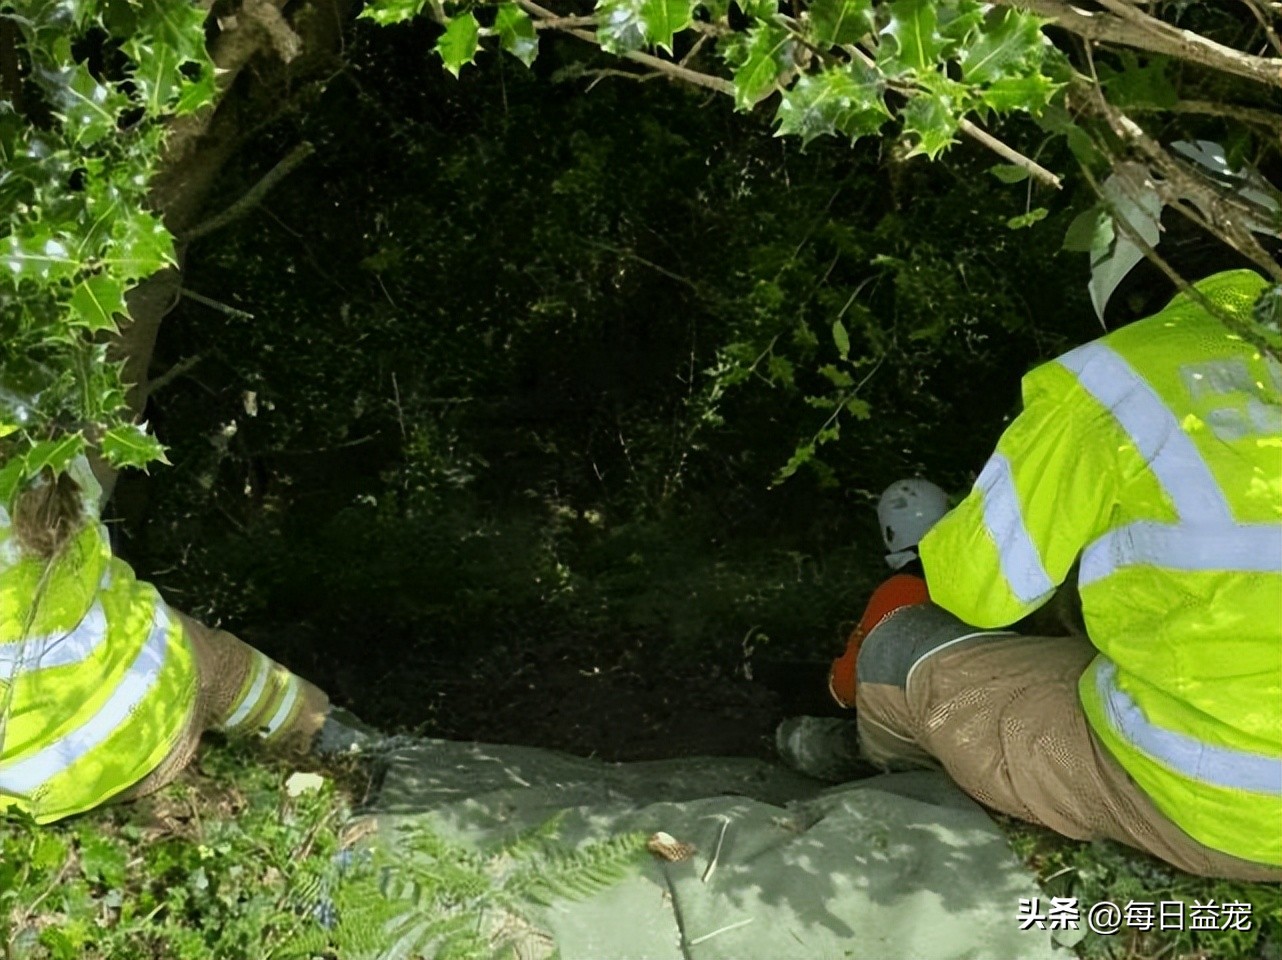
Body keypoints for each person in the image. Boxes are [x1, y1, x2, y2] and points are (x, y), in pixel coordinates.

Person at [847, 268, 1280, 881]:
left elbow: (976, 591)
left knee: (898, 647)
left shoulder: (1119, 377)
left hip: (1232, 810)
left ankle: (886, 789)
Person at [0, 454, 373, 824]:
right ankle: (332, 740)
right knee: (214, 657)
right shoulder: (37, 460)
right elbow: (105, 456)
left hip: (31, 788)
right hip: (150, 711)